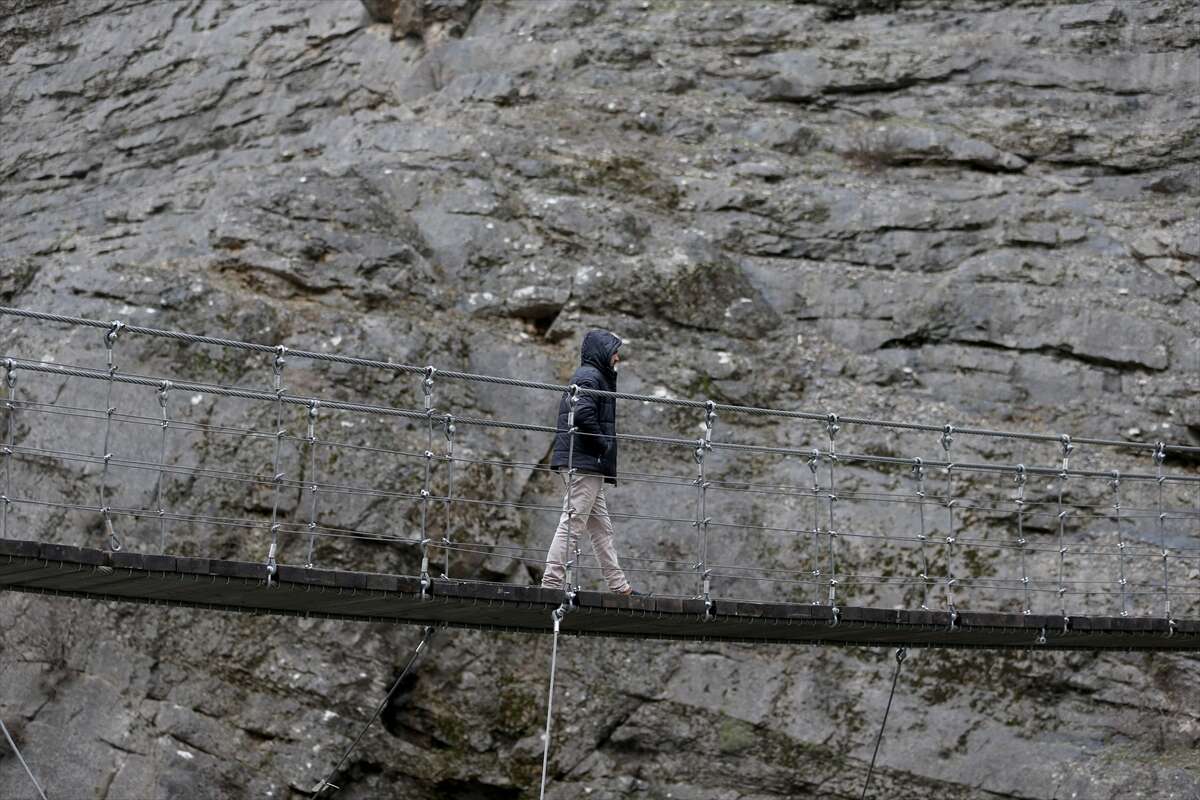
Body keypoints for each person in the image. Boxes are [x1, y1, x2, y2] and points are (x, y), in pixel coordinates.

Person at [540, 329, 637, 595]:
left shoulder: (592, 376)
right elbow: (582, 413)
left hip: (584, 460)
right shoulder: (590, 377)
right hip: (585, 462)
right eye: (614, 351)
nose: (617, 357)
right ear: (603, 352)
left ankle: (620, 587)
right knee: (572, 524)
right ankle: (550, 585)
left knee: (601, 528)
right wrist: (603, 445)